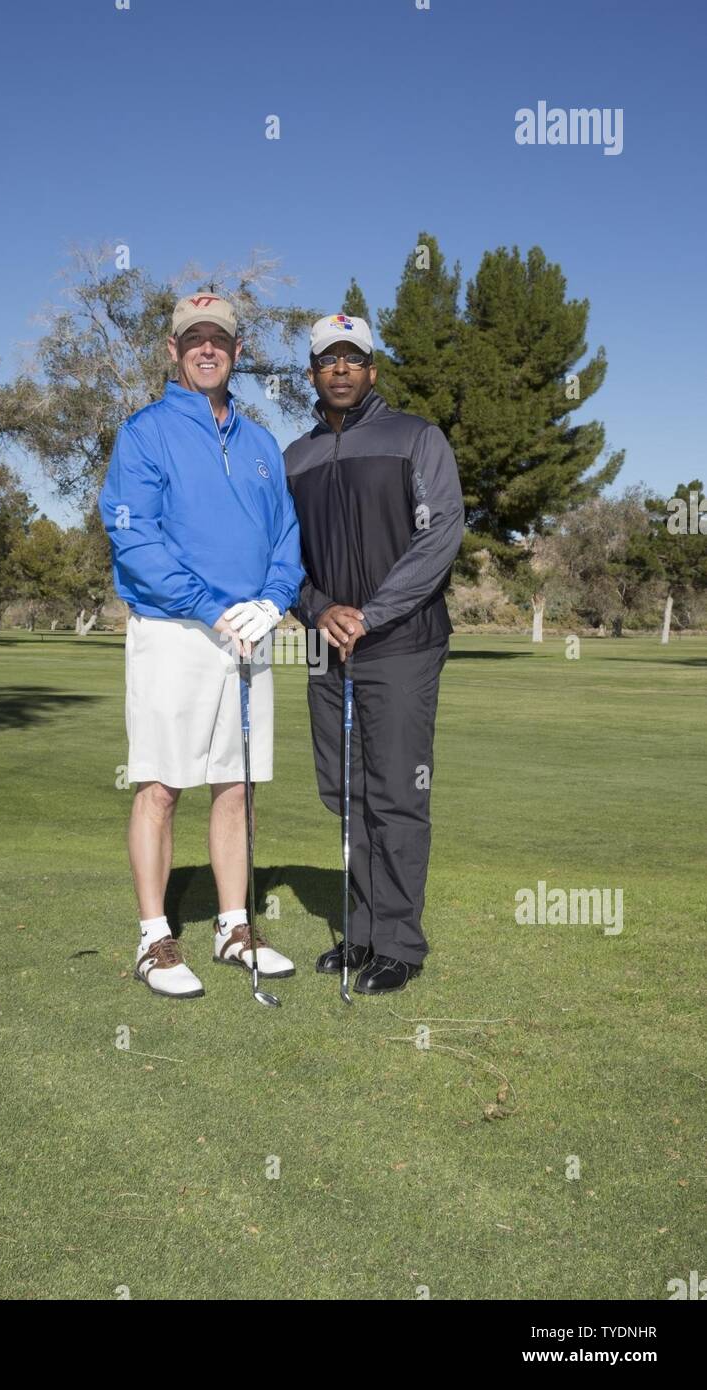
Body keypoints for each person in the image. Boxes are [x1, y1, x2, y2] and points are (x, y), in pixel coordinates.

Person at [98, 293, 303, 999]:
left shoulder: (259, 444)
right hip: (174, 631)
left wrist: (273, 602)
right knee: (160, 783)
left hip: (246, 630)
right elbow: (134, 539)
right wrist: (215, 608)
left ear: (238, 352)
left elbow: (286, 538)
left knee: (236, 784)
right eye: (194, 340)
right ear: (173, 351)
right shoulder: (145, 432)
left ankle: (233, 925)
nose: (206, 349)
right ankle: (155, 937)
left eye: (219, 339)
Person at [284, 313, 465, 995]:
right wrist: (318, 608)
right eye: (327, 359)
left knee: (395, 792)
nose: (339, 369)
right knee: (347, 791)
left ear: (371, 370)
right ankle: (360, 933)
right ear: (311, 373)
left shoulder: (416, 438)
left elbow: (441, 535)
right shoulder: (294, 457)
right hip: (324, 647)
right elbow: (279, 556)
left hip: (401, 644)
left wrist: (373, 613)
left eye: (351, 358)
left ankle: (399, 942)